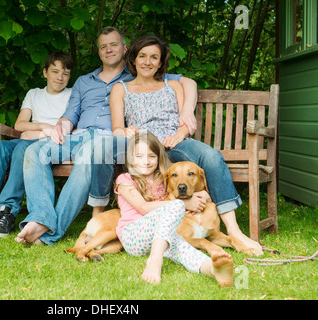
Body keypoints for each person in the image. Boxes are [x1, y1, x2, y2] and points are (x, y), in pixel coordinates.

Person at [15, 27, 198, 245]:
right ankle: (41, 217)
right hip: (79, 134)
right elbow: (70, 114)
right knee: (35, 151)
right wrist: (59, 127)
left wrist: (187, 111)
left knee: (89, 156)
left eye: (113, 44)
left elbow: (187, 82)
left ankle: (51, 231)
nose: (108, 50)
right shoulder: (83, 81)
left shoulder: (137, 73)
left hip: (108, 140)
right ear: (99, 52)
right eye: (103, 46)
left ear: (125, 48)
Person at [98, 34, 262, 254]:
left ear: (161, 62)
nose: (148, 62)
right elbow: (117, 127)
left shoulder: (173, 85)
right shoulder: (121, 89)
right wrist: (126, 131)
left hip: (174, 142)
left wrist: (178, 135)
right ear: (133, 59)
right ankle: (98, 216)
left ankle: (233, 230)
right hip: (147, 149)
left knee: (212, 157)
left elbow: (186, 123)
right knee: (104, 151)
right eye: (143, 56)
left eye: (154, 57)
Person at [0, 52, 73, 238]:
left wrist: (41, 134)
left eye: (65, 73)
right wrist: (43, 127)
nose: (60, 77)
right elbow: (20, 125)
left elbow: (69, 126)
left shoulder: (71, 95)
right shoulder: (34, 94)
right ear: (45, 73)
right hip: (30, 137)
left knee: (22, 149)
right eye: (55, 71)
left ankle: (6, 211)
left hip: (50, 144)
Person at [115, 132, 234, 286]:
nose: (146, 161)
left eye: (151, 156)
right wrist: (183, 204)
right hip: (133, 235)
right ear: (131, 159)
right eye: (139, 156)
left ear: (159, 158)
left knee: (180, 246)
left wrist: (205, 195)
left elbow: (186, 188)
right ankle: (154, 261)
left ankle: (211, 269)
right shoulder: (125, 179)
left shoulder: (163, 179)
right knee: (176, 205)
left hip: (158, 238)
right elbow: (144, 208)